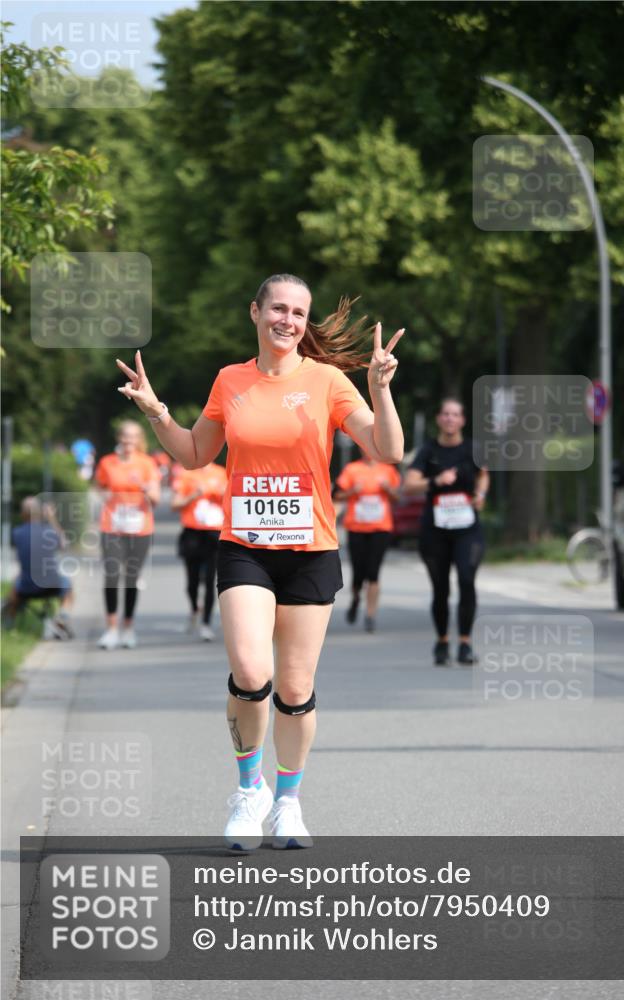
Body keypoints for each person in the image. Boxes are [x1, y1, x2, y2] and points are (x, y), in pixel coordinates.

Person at [115, 273, 404, 849]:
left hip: (311, 551)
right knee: (252, 675)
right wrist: (155, 411)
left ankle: (289, 804)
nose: (288, 320)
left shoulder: (327, 381)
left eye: (298, 312)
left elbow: (389, 451)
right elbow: (196, 453)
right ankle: (251, 791)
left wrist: (379, 388)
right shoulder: (231, 379)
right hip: (245, 546)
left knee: (295, 688)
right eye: (278, 308)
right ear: (255, 312)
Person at [403, 398, 489, 666]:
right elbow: (409, 485)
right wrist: (436, 480)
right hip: (435, 529)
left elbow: (483, 474)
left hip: (467, 528)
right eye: (445, 414)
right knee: (440, 589)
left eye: (455, 414)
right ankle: (442, 641)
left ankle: (464, 642)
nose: (450, 419)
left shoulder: (472, 449)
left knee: (466, 579)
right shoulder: (428, 451)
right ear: (439, 419)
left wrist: (481, 494)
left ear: (462, 420)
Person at [95, 420, 160, 650]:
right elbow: (100, 486)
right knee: (111, 575)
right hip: (112, 524)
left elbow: (156, 499)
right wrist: (105, 496)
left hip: (139, 526)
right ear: (119, 438)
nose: (128, 441)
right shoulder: (107, 462)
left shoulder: (147, 464)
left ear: (139, 440)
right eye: (125, 436)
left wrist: (144, 487)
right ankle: (111, 629)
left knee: (131, 577)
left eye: (133, 437)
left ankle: (128, 628)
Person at [334, 452, 401, 632]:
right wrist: (352, 492)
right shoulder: (352, 469)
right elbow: (337, 496)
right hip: (356, 528)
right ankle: (356, 599)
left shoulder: (388, 470)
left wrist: (388, 490)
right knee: (358, 573)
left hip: (380, 528)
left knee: (373, 572)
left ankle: (370, 615)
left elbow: (398, 498)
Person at [171, 461, 228, 640]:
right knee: (192, 581)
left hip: (214, 532)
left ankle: (206, 623)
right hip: (192, 532)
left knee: (211, 579)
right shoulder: (187, 473)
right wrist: (194, 495)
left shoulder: (222, 473)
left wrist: (221, 494)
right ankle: (194, 609)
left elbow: (234, 499)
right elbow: (175, 504)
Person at [6, 497, 74, 639]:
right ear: (40, 513)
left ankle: (9, 624)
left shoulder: (17, 533)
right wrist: (51, 518)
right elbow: (64, 544)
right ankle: (62, 616)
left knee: (15, 587)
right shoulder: (49, 531)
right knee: (68, 585)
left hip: (26, 587)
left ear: (22, 514)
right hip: (52, 585)